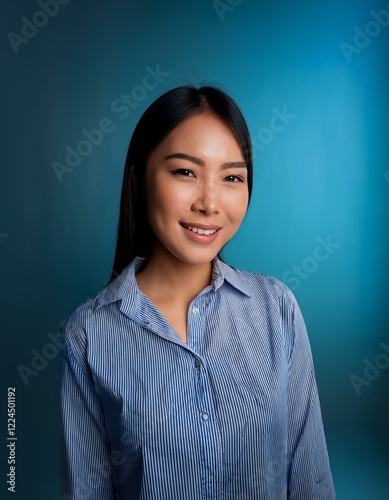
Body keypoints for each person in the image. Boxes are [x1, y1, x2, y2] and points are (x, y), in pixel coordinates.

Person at [60, 85, 336, 499]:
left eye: (231, 177)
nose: (209, 203)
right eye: (185, 172)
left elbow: (311, 481)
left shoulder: (277, 310)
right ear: (138, 179)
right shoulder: (87, 335)